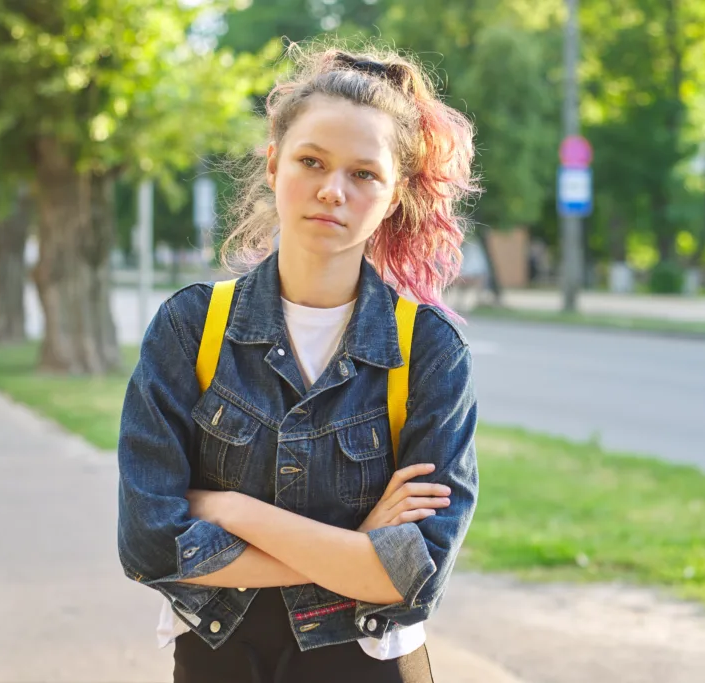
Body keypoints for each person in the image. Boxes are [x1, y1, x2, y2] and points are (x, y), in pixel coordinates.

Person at [117, 41, 480, 683]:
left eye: (364, 174)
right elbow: (149, 544)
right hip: (218, 661)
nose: (332, 191)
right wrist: (357, 548)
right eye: (311, 161)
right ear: (274, 164)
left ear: (394, 195)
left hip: (369, 665)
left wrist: (229, 509)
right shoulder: (191, 328)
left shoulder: (428, 351)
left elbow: (413, 578)